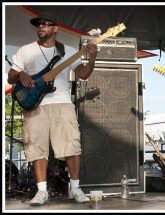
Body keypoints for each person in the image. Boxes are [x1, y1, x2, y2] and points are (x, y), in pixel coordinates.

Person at [7, 12, 98, 206]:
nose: (41, 27)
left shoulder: (69, 50)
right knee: (36, 147)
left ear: (55, 29)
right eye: (39, 25)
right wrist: (21, 73)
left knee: (72, 145)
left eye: (46, 24)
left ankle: (75, 188)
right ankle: (42, 191)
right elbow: (10, 77)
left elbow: (83, 74)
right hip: (34, 104)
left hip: (62, 102)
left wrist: (92, 59)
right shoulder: (25, 50)